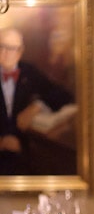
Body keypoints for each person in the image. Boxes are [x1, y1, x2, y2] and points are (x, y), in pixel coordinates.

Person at [0, 27, 74, 174]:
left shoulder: (29, 71)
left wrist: (37, 106)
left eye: (12, 48)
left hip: (25, 157)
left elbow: (64, 95)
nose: (5, 53)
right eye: (1, 47)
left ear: (20, 51)